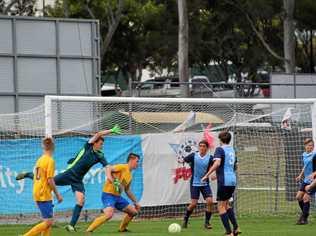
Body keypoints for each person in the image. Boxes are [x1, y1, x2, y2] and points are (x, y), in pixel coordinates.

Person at [16, 125, 121, 232]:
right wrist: (111, 130)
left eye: (102, 144)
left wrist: (112, 180)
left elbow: (107, 168)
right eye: (100, 144)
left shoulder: (100, 156)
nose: (102, 146)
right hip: (69, 174)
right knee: (47, 181)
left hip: (78, 180)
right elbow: (98, 134)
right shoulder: (88, 146)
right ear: (94, 143)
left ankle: (71, 225)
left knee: (81, 200)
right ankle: (28, 174)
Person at [86, 153, 141, 234]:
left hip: (118, 197)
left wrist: (136, 202)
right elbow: (108, 168)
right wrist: (111, 179)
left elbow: (127, 190)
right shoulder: (122, 167)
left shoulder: (130, 175)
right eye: (137, 161)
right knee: (109, 215)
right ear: (131, 160)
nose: (138, 163)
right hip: (108, 195)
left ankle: (122, 229)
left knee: (133, 212)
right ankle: (89, 230)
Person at [21, 137, 63, 236]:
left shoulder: (39, 160)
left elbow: (37, 178)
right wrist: (58, 195)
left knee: (47, 221)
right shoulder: (50, 161)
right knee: (49, 222)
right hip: (44, 193)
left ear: (43, 147)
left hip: (37, 191)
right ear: (53, 147)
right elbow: (50, 180)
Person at [202, 131, 240, 236]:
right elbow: (235, 166)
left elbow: (217, 163)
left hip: (224, 181)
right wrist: (218, 175)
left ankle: (229, 232)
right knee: (226, 205)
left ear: (220, 140)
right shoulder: (232, 149)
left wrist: (207, 175)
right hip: (232, 179)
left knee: (221, 207)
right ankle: (236, 228)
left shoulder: (220, 149)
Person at [182, 140, 214, 229]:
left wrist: (214, 174)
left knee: (210, 201)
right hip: (195, 183)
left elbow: (216, 165)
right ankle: (186, 219)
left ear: (207, 148)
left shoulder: (210, 158)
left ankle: (207, 223)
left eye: (204, 146)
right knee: (193, 204)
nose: (202, 148)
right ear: (198, 147)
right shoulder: (193, 155)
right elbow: (184, 160)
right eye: (200, 146)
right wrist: (182, 161)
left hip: (205, 183)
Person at [295, 138, 316, 225]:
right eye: (308, 145)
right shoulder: (304, 155)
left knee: (306, 198)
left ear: (313, 146)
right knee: (298, 197)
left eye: (311, 145)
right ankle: (305, 214)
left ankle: (304, 218)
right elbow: (305, 166)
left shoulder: (315, 155)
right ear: (305, 146)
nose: (310, 147)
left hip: (313, 181)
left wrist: (314, 174)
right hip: (306, 180)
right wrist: (300, 175)